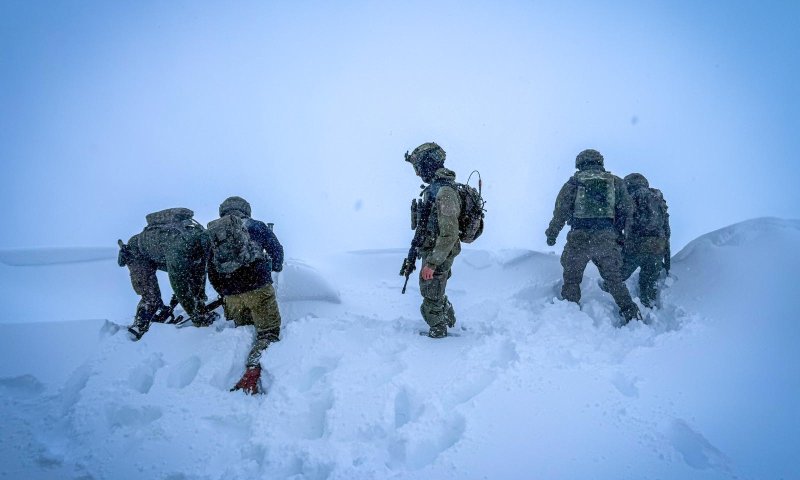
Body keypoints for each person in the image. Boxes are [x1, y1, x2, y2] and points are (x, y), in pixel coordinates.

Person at [545, 149, 642, 324]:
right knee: (614, 280)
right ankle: (631, 313)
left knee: (572, 279)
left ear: (580, 163)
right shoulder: (615, 182)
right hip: (606, 239)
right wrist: (619, 236)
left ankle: (569, 314)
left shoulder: (574, 183)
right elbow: (628, 211)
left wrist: (551, 234)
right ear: (600, 162)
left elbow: (560, 212)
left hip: (579, 239)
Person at [206, 196, 284, 394]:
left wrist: (225, 292)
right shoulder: (256, 226)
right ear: (246, 210)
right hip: (258, 287)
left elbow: (210, 269)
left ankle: (233, 363)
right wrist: (274, 267)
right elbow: (277, 250)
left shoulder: (213, 234)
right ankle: (252, 372)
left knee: (245, 329)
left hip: (231, 295)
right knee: (267, 332)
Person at [118, 208, 217, 338]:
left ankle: (164, 312)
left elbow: (199, 275)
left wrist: (199, 302)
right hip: (137, 254)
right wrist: (196, 317)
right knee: (151, 297)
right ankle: (140, 327)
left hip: (159, 252)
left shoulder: (202, 239)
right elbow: (179, 285)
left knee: (192, 274)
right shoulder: (180, 247)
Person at [403, 142, 461, 338]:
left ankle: (439, 332)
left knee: (430, 296)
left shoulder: (445, 193)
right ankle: (450, 323)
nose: (418, 173)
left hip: (439, 252)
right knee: (435, 291)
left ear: (429, 163)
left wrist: (433, 263)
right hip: (434, 249)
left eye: (418, 167)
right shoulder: (434, 190)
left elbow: (449, 234)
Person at [617, 173, 671, 308]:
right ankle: (650, 308)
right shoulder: (657, 198)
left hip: (634, 247)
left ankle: (602, 299)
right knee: (649, 281)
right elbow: (667, 230)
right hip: (657, 247)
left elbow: (619, 224)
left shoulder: (628, 198)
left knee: (616, 277)